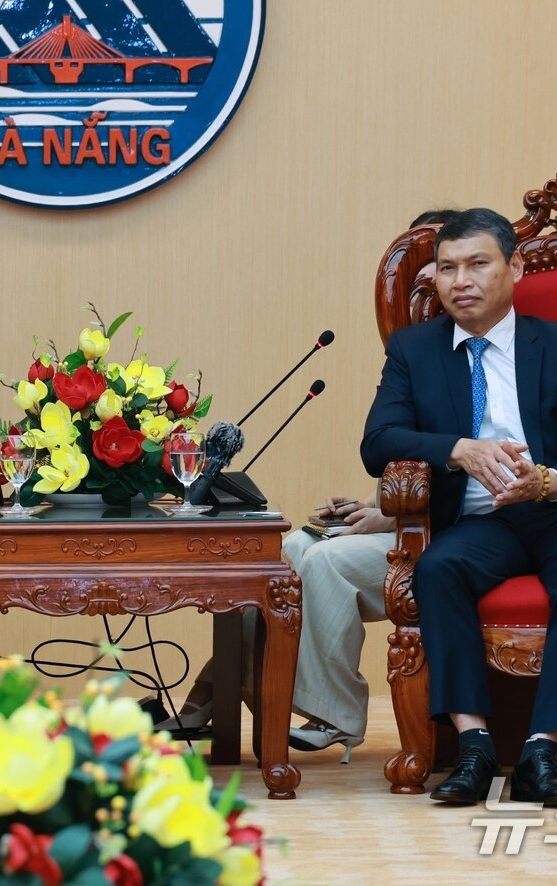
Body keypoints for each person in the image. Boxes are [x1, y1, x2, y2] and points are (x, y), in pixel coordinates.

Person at [361, 207, 557, 807]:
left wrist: (546, 481)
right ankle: (474, 747)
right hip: (483, 520)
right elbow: (378, 442)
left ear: (514, 267)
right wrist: (458, 450)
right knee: (437, 568)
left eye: (477, 264)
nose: (460, 280)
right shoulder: (415, 350)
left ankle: (542, 750)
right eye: (447, 268)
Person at [156, 210, 456, 763]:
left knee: (323, 563)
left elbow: (470, 471)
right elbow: (407, 457)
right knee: (284, 554)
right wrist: (370, 506)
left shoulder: (492, 355)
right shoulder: (416, 354)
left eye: (440, 265)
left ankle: (326, 712)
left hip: (455, 533)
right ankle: (225, 691)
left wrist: (390, 516)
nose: (430, 286)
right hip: (408, 519)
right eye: (427, 270)